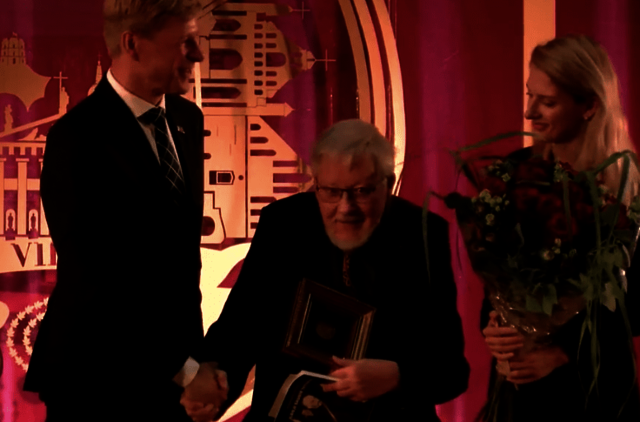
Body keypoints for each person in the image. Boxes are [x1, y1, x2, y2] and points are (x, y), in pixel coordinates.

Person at [182, 119, 470, 421]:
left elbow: (451, 371)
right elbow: (238, 331)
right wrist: (209, 387)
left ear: (388, 183)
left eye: (361, 191)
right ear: (315, 183)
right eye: (331, 191)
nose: (346, 208)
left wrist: (397, 376)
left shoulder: (422, 235)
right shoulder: (284, 225)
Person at [23, 1, 226, 421]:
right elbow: (98, 279)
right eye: (185, 43)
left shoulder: (186, 119)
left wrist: (192, 369)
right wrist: (187, 372)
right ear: (132, 43)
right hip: (97, 381)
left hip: (172, 383)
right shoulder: (76, 138)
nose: (198, 55)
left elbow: (176, 262)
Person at [480, 34, 640, 421]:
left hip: (591, 392)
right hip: (518, 392)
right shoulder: (514, 172)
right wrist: (495, 327)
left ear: (590, 106)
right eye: (529, 94)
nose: (529, 112)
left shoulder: (628, 189)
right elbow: (498, 276)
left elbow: (634, 307)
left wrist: (562, 352)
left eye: (547, 102)